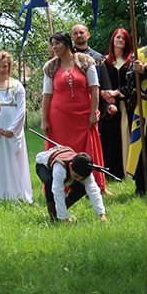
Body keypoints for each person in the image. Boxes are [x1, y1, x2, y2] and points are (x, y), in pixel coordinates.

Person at [41, 32, 107, 192]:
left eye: (57, 43)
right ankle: (61, 186)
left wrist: (93, 113)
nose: (54, 47)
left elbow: (94, 89)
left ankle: (97, 187)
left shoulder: (85, 62)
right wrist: (44, 120)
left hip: (83, 115)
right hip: (59, 118)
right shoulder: (50, 67)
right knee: (61, 151)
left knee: (88, 149)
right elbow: (47, 95)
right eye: (52, 44)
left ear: (67, 43)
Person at [0, 51, 32, 202]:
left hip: (12, 130)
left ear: (10, 66)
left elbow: (21, 109)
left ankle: (16, 193)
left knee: (13, 161)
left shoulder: (17, 85)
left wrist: (13, 129)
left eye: (5, 66)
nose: (2, 69)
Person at [71, 23, 112, 194]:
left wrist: (109, 104)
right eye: (75, 33)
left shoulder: (97, 57)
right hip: (73, 109)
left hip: (92, 108)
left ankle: (99, 186)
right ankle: (73, 183)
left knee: (95, 147)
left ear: (88, 35)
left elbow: (103, 84)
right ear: (72, 37)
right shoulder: (67, 56)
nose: (79, 35)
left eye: (82, 32)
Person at [35, 146, 107, 223]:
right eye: (76, 176)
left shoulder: (86, 171)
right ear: (70, 165)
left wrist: (102, 215)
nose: (78, 179)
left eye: (81, 178)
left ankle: (59, 212)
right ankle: (54, 217)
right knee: (50, 182)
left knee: (82, 188)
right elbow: (58, 192)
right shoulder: (60, 168)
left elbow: (94, 191)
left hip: (66, 169)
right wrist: (64, 218)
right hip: (44, 166)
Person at [100, 28, 134, 181]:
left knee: (127, 138)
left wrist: (115, 93)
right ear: (112, 40)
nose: (120, 40)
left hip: (128, 106)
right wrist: (105, 96)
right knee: (111, 139)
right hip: (110, 108)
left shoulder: (131, 61)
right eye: (117, 37)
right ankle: (111, 174)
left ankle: (128, 171)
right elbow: (99, 84)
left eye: (123, 38)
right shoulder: (104, 62)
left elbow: (132, 85)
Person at [123, 19, 147, 194]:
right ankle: (141, 185)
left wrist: (146, 72)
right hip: (144, 106)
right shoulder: (140, 53)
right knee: (142, 146)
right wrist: (136, 72)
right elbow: (130, 80)